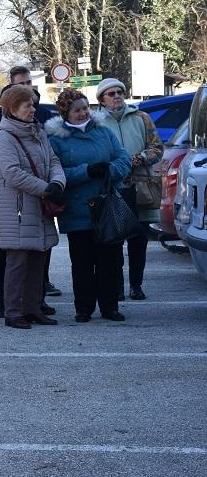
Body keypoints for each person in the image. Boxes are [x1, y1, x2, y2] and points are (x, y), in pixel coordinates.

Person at [47, 89, 132, 323]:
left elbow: (123, 158)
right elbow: (56, 172)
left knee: (110, 261)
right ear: (65, 113)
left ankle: (110, 306)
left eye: (85, 108)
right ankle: (83, 307)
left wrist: (110, 170)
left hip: (106, 206)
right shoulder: (57, 140)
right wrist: (86, 171)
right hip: (77, 209)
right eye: (77, 110)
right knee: (82, 263)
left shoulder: (104, 133)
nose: (83, 113)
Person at [0, 86, 66, 329]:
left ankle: (33, 308)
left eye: (33, 104)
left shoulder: (38, 132)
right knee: (18, 261)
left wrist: (57, 182)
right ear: (12, 109)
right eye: (27, 105)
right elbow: (12, 174)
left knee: (39, 258)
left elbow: (53, 160)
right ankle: (13, 312)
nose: (33, 109)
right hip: (18, 207)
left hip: (38, 203)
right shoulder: (4, 137)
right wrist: (46, 189)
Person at [96, 78, 162, 300]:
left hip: (140, 186)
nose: (117, 96)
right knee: (113, 240)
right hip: (112, 187)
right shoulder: (96, 122)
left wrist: (140, 157)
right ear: (101, 100)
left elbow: (157, 148)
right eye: (111, 93)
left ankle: (136, 284)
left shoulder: (141, 117)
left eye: (120, 92)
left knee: (138, 239)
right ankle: (116, 287)